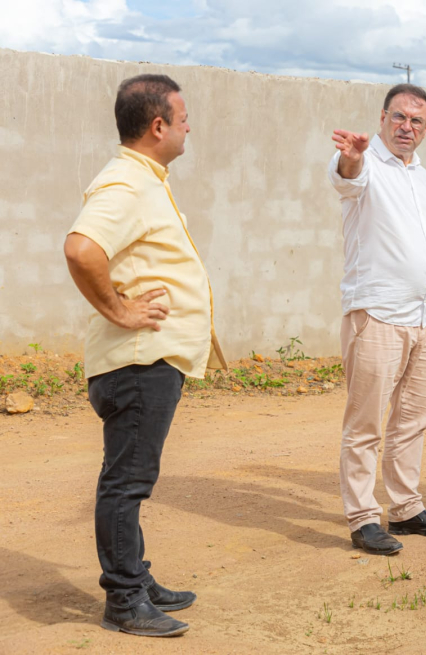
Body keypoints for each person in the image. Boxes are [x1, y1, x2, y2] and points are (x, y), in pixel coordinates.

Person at [64, 74, 226, 636]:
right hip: (138, 361)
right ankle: (124, 600)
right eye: (183, 119)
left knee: (132, 478)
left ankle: (137, 576)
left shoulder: (144, 179)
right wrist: (122, 311)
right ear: (157, 126)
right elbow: (82, 250)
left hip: (148, 361)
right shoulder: (127, 184)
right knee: (126, 482)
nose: (189, 127)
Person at [328, 84, 426, 555]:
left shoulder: (425, 179)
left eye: (417, 121)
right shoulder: (366, 166)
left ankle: (405, 508)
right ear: (383, 118)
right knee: (365, 422)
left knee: (414, 418)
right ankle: (363, 517)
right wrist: (352, 157)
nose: (408, 127)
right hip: (378, 315)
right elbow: (346, 179)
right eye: (400, 117)